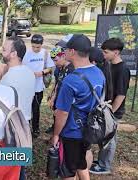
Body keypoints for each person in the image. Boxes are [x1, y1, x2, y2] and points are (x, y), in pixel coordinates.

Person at [52, 34, 105, 180]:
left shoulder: (71, 80)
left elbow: (62, 113)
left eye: (66, 49)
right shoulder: (99, 73)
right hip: (90, 129)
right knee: (81, 163)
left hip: (72, 133)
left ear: (72, 51)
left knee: (68, 171)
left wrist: (56, 134)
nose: (64, 52)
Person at [0, 36, 35, 180]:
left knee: (8, 169)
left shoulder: (8, 79)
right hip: (25, 124)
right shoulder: (29, 72)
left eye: (4, 50)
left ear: (14, 54)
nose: (1, 51)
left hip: (10, 128)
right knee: (19, 167)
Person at [90, 38, 130, 175]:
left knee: (109, 138)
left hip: (113, 111)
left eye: (106, 52)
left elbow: (121, 94)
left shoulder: (123, 69)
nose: (103, 54)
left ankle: (104, 165)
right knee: (103, 135)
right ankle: (101, 160)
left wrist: (111, 112)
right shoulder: (108, 65)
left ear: (116, 52)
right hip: (104, 108)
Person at [22, 34, 55, 138]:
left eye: (38, 47)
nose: (35, 49)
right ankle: (25, 128)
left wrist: (42, 72)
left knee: (36, 109)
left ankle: (35, 129)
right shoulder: (26, 54)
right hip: (27, 86)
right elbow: (21, 68)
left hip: (39, 87)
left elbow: (50, 68)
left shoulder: (45, 53)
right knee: (26, 109)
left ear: (41, 45)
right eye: (33, 46)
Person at [46, 46, 74, 134]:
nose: (54, 63)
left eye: (56, 60)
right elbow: (58, 83)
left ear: (63, 56)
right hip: (58, 100)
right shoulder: (61, 68)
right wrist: (53, 98)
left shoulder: (71, 70)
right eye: (53, 61)